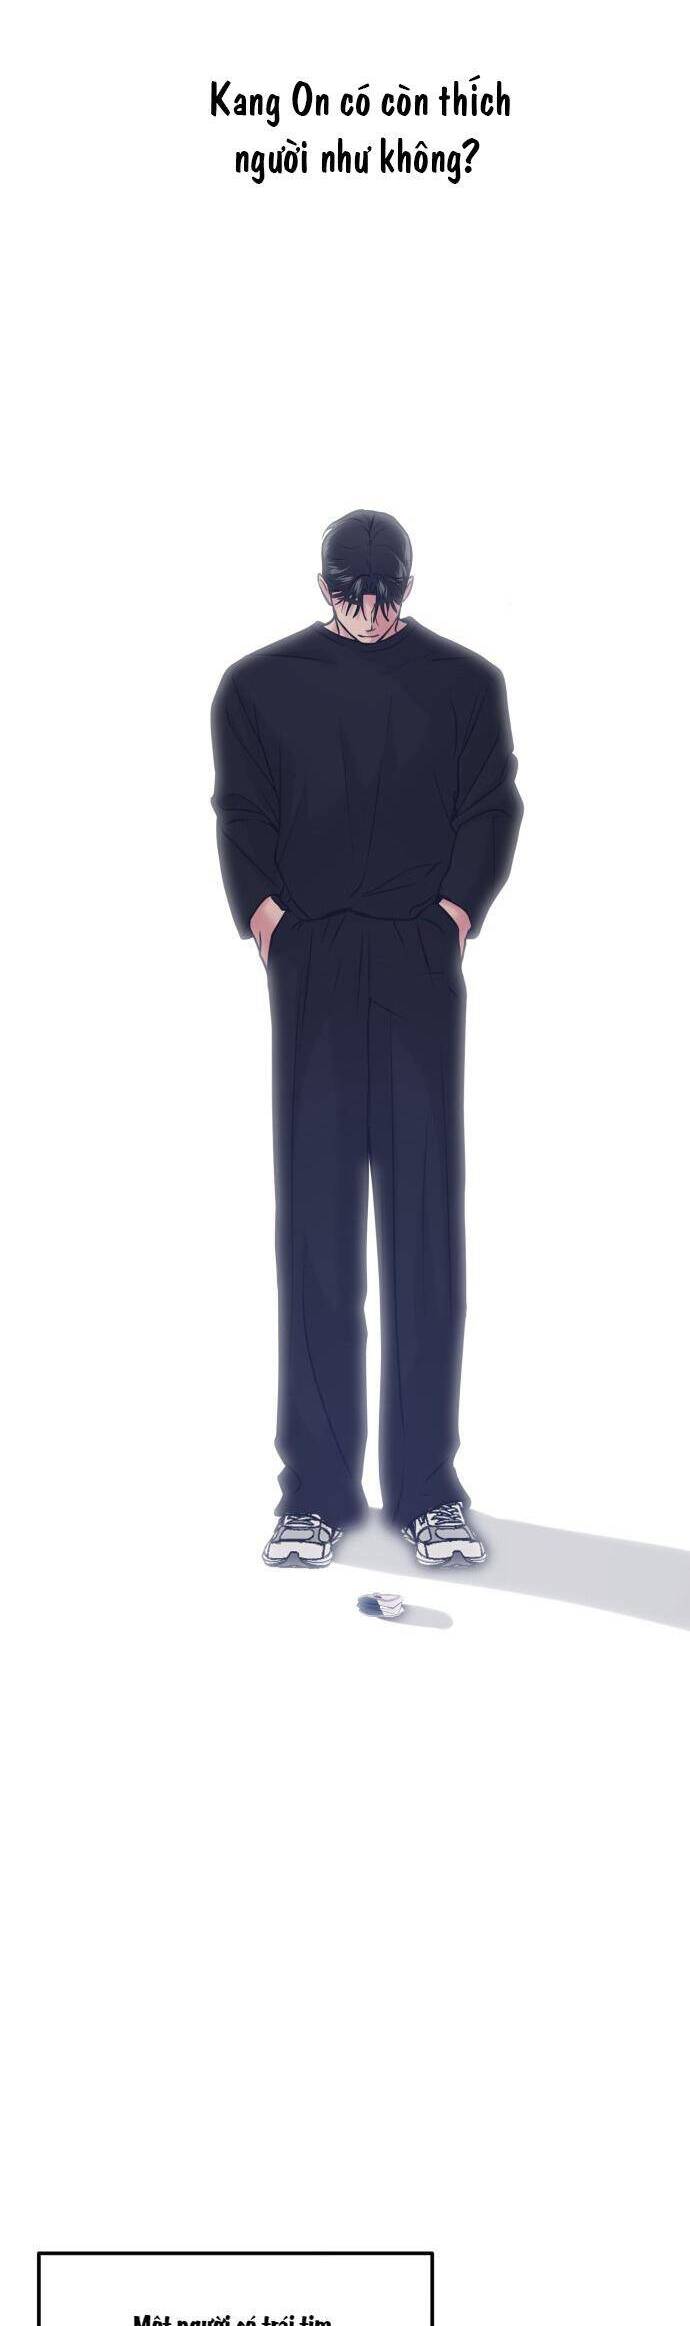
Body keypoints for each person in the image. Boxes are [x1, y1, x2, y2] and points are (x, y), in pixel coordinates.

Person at [211, 509, 522, 1569]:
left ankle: (429, 1489)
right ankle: (314, 1493)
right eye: (353, 597)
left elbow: (491, 809)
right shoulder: (257, 687)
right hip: (314, 964)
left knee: (425, 1230)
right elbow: (241, 815)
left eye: (386, 598)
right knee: (316, 1228)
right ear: (325, 587)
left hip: (416, 966)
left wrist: (454, 916)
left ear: (408, 588)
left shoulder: (464, 684)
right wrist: (270, 923)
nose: (371, 615)